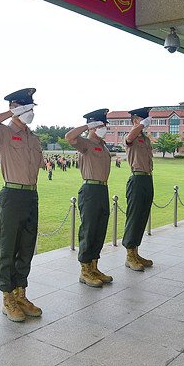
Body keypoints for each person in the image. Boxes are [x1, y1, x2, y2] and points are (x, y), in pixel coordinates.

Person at [0, 88, 45, 322]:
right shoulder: (5, 133)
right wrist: (9, 114)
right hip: (12, 194)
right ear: (14, 108)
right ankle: (7, 296)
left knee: (27, 247)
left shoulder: (34, 138)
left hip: (31, 195)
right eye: (25, 108)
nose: (30, 113)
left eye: (31, 108)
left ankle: (21, 293)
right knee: (8, 249)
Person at [65, 109, 112, 287]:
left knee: (99, 230)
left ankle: (94, 266)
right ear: (92, 127)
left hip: (102, 190)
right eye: (100, 125)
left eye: (104, 125)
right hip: (90, 189)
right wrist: (87, 126)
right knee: (89, 230)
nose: (103, 128)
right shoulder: (86, 143)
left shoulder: (102, 145)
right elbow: (69, 137)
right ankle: (85, 270)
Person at [122, 107, 155, 272]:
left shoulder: (144, 138)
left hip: (147, 178)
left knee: (142, 216)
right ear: (136, 120)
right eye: (142, 119)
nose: (146, 123)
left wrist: (142, 127)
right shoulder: (131, 136)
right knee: (134, 217)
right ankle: (129, 255)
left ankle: (136, 252)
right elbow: (130, 137)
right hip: (136, 178)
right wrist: (141, 125)